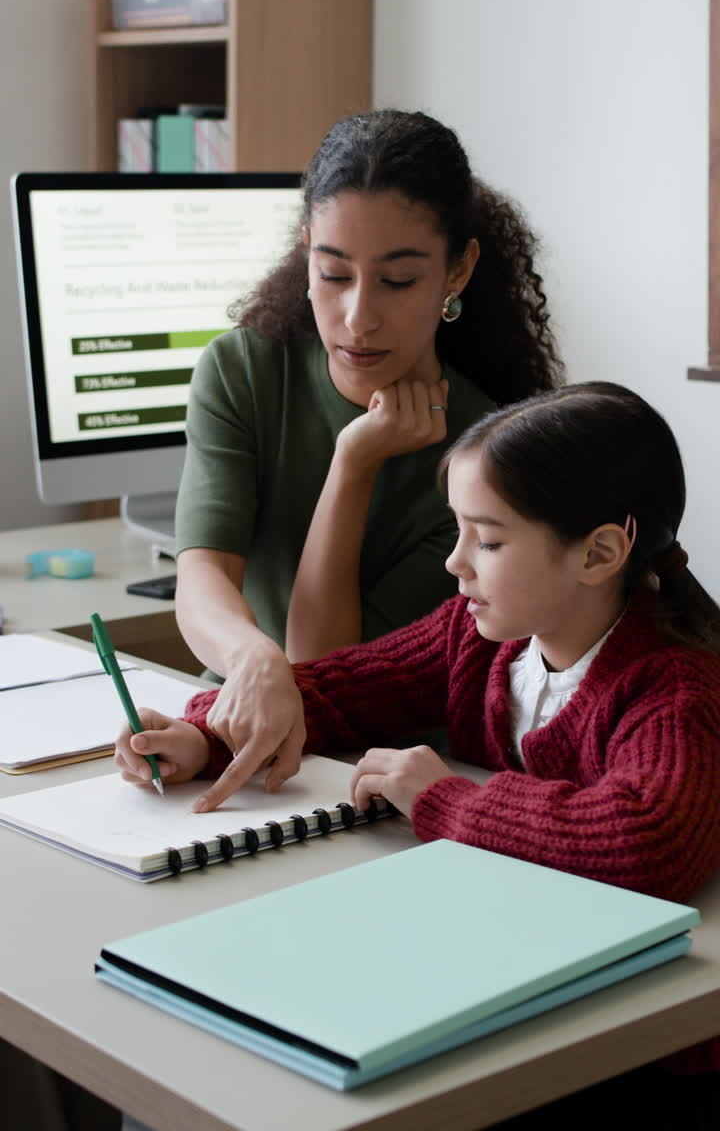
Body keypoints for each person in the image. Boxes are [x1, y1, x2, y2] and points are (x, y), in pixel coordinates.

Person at [118, 381, 720, 1127]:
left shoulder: (676, 687)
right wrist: (205, 736)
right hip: (512, 972)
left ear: (598, 552)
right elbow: (334, 691)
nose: (457, 563)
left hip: (637, 1046)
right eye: (459, 533)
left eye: (489, 541)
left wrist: (447, 800)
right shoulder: (477, 638)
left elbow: (648, 841)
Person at [173, 107, 562, 808]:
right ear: (306, 255)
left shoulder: (492, 451)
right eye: (333, 274)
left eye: (397, 281)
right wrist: (248, 656)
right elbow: (201, 578)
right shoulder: (241, 370)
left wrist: (354, 465)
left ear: (457, 270)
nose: (357, 317)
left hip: (373, 775)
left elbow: (322, 669)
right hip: (228, 728)